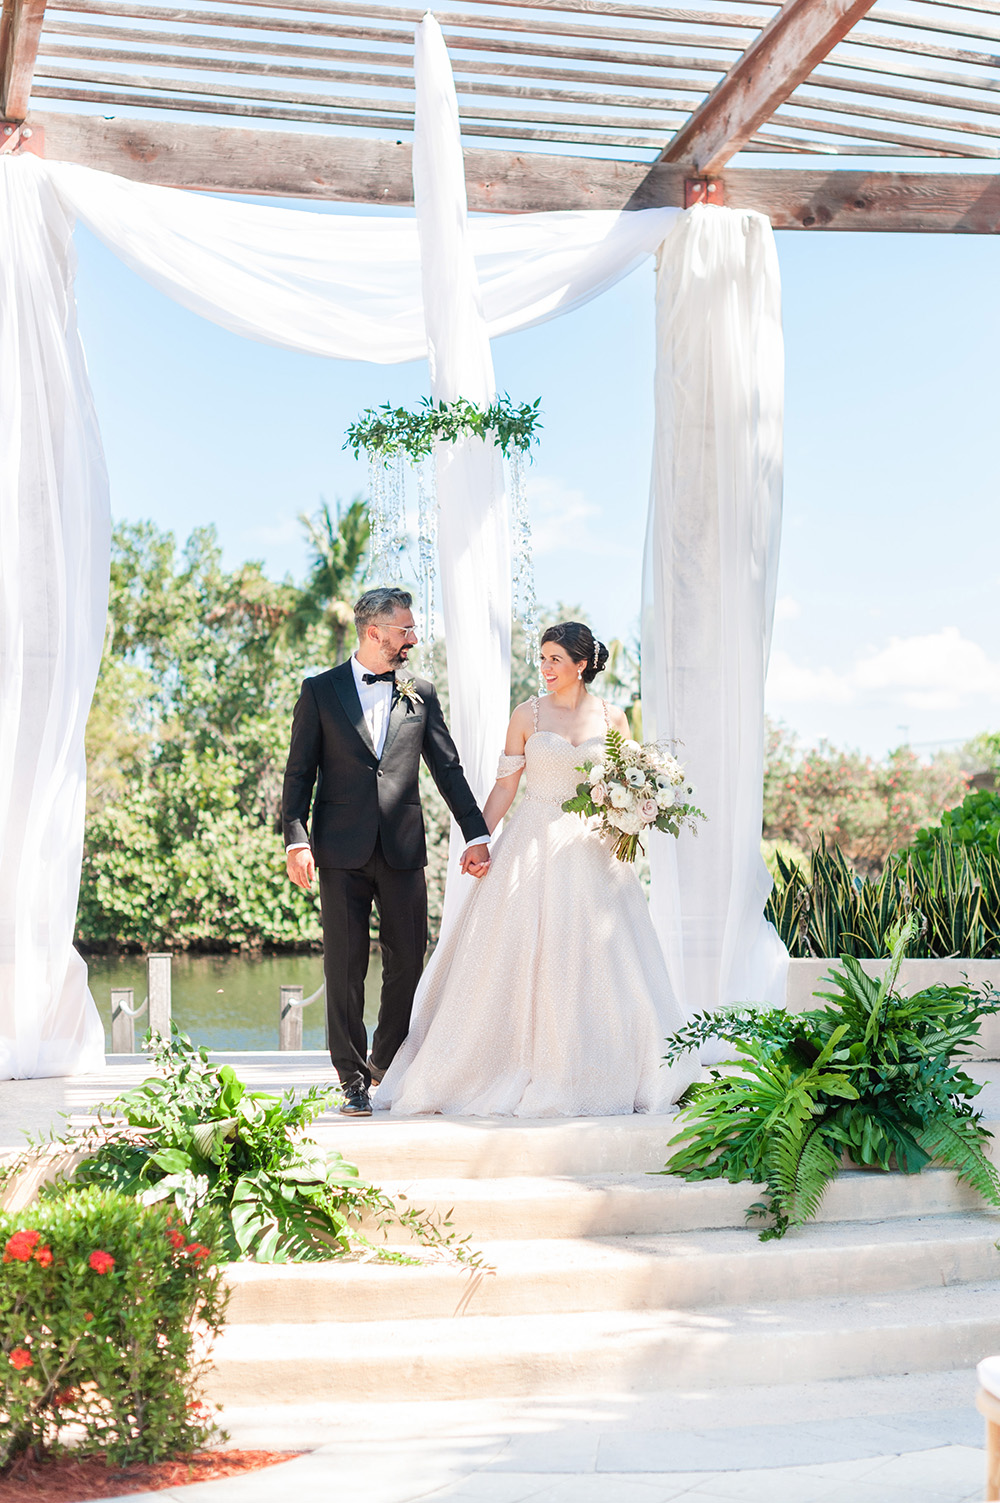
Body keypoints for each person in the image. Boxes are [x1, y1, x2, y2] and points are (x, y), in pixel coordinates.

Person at [376, 621, 698, 1117]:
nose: (545, 669)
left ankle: (606, 1065)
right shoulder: (526, 714)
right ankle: (498, 1062)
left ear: (581, 664)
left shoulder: (613, 719)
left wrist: (635, 811)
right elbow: (506, 787)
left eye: (555, 660)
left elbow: (627, 784)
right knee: (515, 951)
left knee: (600, 957)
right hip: (531, 838)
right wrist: (478, 838)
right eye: (542, 658)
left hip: (594, 848)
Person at [281, 587, 490, 1117]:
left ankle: (385, 1063)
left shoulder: (420, 692)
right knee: (344, 966)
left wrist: (477, 834)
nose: (413, 639)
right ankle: (350, 1078)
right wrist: (296, 839)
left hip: (402, 848)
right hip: (338, 850)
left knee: (408, 960)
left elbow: (447, 768)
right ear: (375, 633)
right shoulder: (320, 691)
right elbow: (299, 773)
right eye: (405, 630)